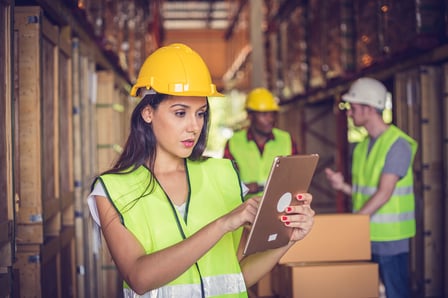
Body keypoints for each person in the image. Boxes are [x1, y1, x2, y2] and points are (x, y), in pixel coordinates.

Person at [87, 43, 315, 297]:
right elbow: (139, 277)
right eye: (180, 113)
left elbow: (237, 275)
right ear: (148, 113)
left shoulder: (224, 175)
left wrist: (288, 239)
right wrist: (222, 224)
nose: (194, 127)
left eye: (201, 114)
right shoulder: (111, 190)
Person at [325, 77, 417, 298]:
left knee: (396, 293)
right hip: (367, 236)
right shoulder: (362, 146)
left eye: (353, 108)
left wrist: (353, 223)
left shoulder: (397, 145)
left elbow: (385, 193)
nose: (349, 113)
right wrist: (343, 187)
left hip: (390, 240)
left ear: (368, 109)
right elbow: (365, 193)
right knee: (370, 292)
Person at [223, 87, 298, 198]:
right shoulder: (234, 143)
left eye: (272, 114)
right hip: (245, 209)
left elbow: (296, 176)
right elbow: (226, 182)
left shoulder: (286, 140)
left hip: (279, 206)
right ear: (250, 115)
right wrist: (244, 187)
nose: (270, 119)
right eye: (264, 114)